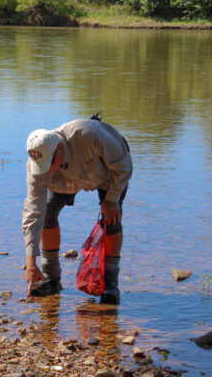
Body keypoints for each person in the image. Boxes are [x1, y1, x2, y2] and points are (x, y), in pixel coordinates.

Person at [22, 114, 133, 304]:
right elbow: (33, 213)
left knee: (111, 218)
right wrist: (31, 261)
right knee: (47, 213)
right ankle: (51, 280)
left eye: (48, 164)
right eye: (40, 167)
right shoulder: (38, 169)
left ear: (60, 149)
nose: (45, 170)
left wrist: (112, 199)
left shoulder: (91, 135)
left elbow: (124, 166)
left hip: (106, 171)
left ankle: (111, 284)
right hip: (65, 181)